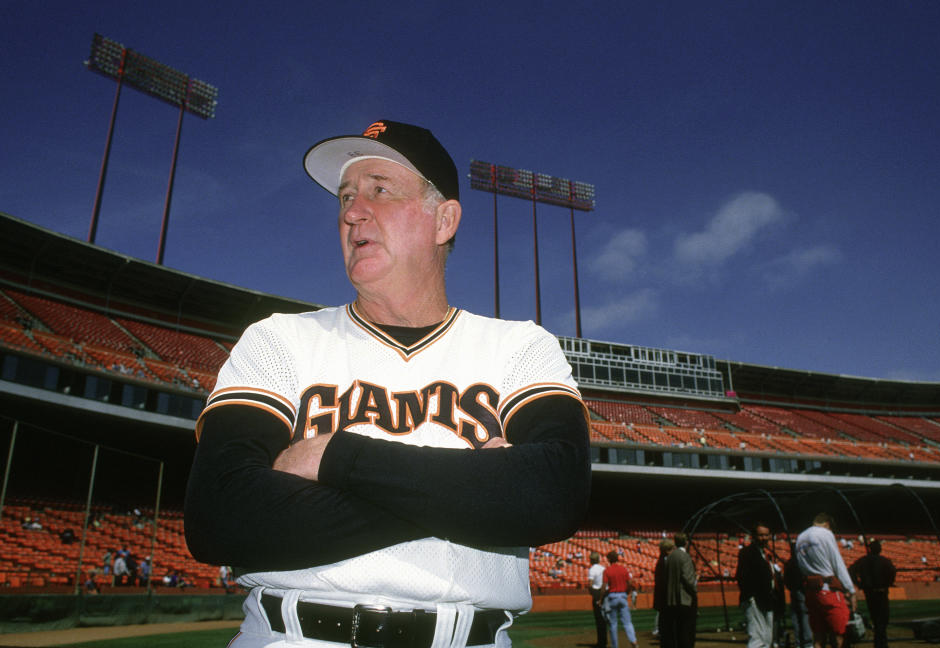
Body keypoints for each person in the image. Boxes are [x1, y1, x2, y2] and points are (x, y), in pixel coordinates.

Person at [183, 119, 592, 648]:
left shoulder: (520, 347)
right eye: (346, 196)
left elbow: (552, 496)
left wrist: (336, 459)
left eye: (380, 190)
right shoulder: (278, 340)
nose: (352, 211)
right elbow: (219, 515)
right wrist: (478, 490)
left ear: (443, 220)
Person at [795, 513, 857, 648]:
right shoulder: (825, 534)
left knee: (818, 635)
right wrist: (850, 590)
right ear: (828, 524)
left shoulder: (800, 537)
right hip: (827, 589)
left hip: (810, 590)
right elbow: (837, 562)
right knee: (840, 633)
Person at [736, 523, 776, 648]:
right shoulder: (747, 553)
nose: (764, 538)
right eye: (760, 535)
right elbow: (742, 577)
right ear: (754, 536)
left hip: (766, 599)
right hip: (754, 600)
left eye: (766, 535)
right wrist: (751, 597)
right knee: (757, 638)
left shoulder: (764, 553)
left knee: (767, 636)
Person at [849, 540, 896, 648]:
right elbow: (892, 572)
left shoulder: (863, 560)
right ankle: (881, 644)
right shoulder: (884, 561)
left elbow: (851, 570)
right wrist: (888, 583)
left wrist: (859, 584)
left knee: (876, 618)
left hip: (869, 592)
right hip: (881, 591)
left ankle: (880, 642)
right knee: (883, 619)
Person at [662, 533, 697, 648]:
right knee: (686, 631)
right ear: (686, 542)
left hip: (671, 599)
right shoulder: (685, 556)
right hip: (684, 599)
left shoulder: (670, 557)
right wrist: (694, 589)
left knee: (676, 631)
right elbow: (688, 578)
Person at [602, 550, 638, 648]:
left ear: (609, 559)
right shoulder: (623, 569)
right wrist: (627, 592)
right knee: (627, 622)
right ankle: (633, 641)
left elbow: (604, 586)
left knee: (613, 624)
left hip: (612, 596)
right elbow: (630, 583)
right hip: (622, 596)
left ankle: (615, 646)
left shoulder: (607, 570)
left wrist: (601, 598)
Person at [784, 543, 813, 648]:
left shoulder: (789, 563)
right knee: (804, 617)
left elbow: (786, 581)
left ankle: (799, 642)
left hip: (794, 592)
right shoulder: (801, 562)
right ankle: (807, 642)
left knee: (796, 618)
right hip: (801, 591)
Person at [653, 538, 676, 638]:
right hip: (665, 593)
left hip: (662, 593)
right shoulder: (665, 562)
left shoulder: (662, 560)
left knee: (662, 614)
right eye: (671, 549)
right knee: (664, 615)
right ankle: (661, 631)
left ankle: (660, 630)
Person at [587, 552, 608, 648]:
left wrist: (592, 593)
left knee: (598, 619)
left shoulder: (592, 570)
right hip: (604, 593)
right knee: (604, 618)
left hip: (596, 592)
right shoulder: (603, 568)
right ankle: (604, 640)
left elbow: (590, 584)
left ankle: (601, 642)